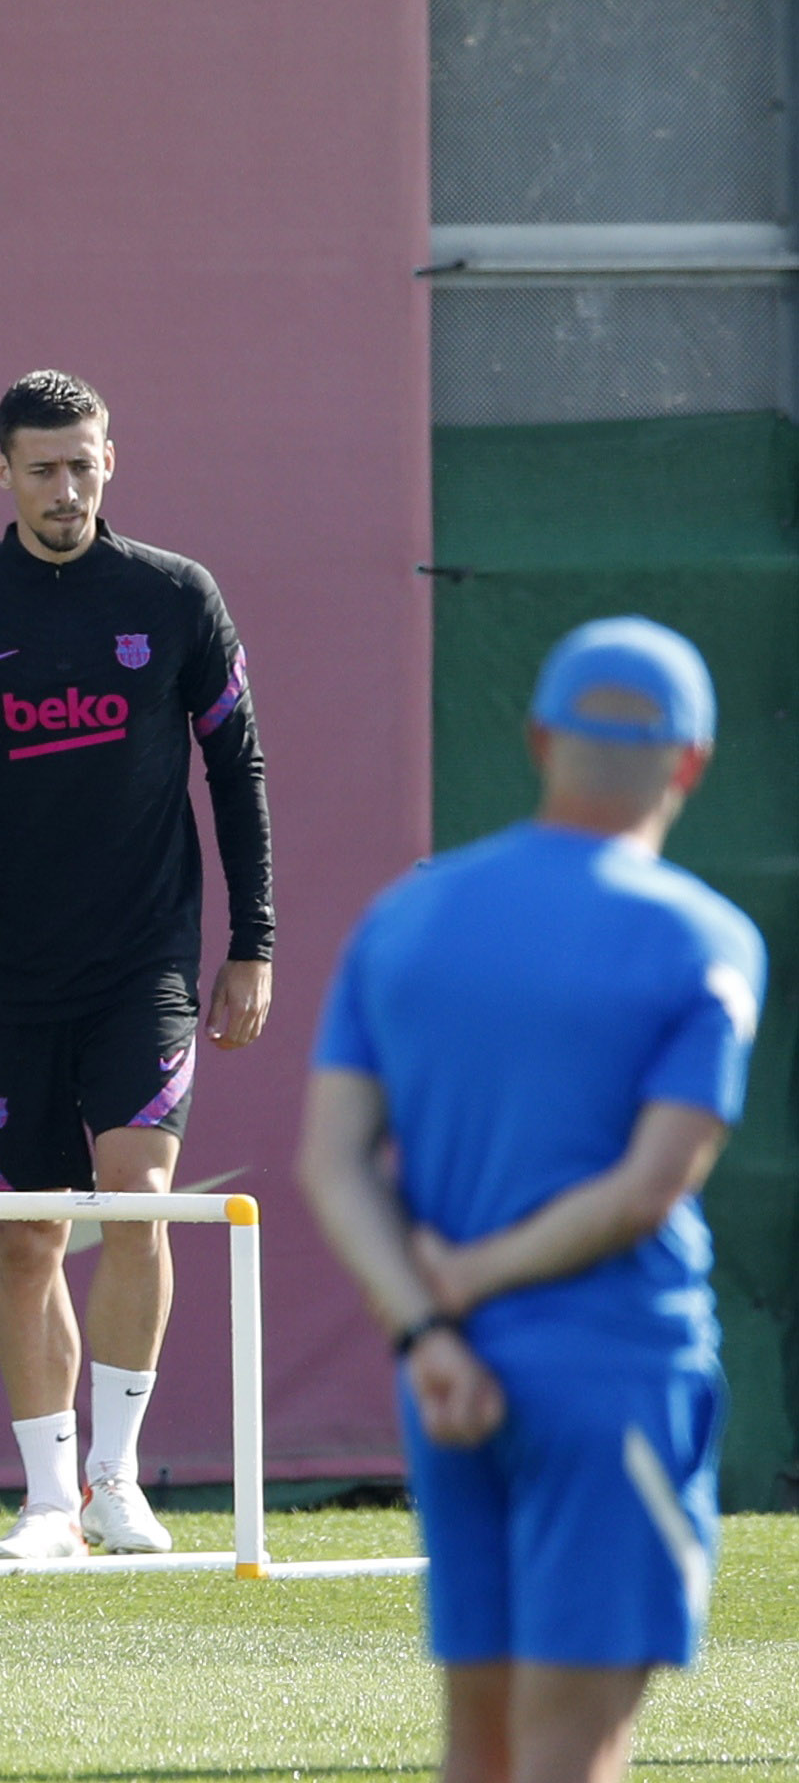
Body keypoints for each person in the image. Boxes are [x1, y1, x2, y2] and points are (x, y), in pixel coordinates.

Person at [302, 620, 761, 1783]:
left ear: (538, 738)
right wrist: (475, 1279)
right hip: (613, 1373)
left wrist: (427, 1321)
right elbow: (650, 1188)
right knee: (572, 1752)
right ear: (692, 760)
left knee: (481, 1748)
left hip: (448, 1383)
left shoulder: (402, 918)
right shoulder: (704, 936)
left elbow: (330, 1162)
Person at [0, 369, 273, 1561]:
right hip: (0, 973)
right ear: (1, 472)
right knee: (26, 1231)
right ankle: (45, 1499)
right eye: (40, 467)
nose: (64, 487)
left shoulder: (174, 594)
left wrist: (253, 942)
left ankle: (113, 1477)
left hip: (144, 959)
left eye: (82, 462)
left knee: (135, 1198)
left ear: (111, 458)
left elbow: (235, 772)